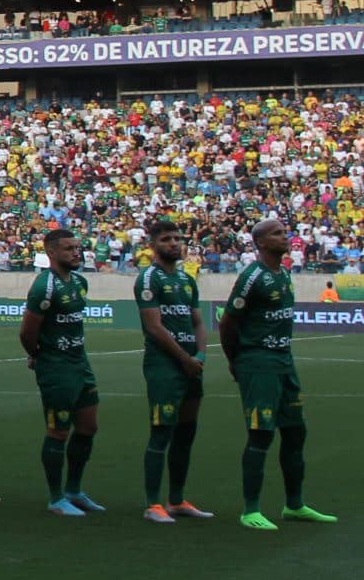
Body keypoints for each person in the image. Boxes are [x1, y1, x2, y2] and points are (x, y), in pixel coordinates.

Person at [221, 218, 338, 530]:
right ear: (261, 243)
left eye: (284, 232)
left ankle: (294, 505)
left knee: (296, 431)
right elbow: (228, 322)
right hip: (259, 362)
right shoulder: (252, 277)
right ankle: (251, 510)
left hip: (284, 361)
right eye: (277, 233)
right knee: (261, 433)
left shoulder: (283, 273)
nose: (285, 237)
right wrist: (236, 361)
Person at [135, 217, 213, 522]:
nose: (174, 244)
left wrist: (201, 357)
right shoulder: (148, 279)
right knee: (161, 431)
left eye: (178, 238)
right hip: (164, 365)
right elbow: (154, 327)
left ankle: (178, 499)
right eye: (167, 239)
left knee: (186, 432)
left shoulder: (186, 280)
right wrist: (185, 358)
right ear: (153, 246)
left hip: (191, 366)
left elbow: (197, 321)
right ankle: (153, 504)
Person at [21, 228, 103, 516]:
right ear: (51, 253)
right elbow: (28, 332)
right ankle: (56, 498)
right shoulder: (45, 286)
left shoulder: (79, 282)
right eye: (69, 248)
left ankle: (74, 490)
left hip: (80, 363)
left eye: (77, 248)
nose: (76, 253)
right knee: (58, 431)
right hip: (57, 368)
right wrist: (40, 356)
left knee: (88, 427)